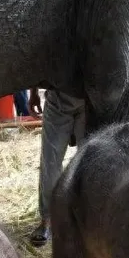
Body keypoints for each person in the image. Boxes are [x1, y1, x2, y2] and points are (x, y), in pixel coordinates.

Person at [28, 88, 86, 247]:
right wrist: (33, 94)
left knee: (88, 161)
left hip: (89, 100)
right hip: (59, 99)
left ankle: (84, 220)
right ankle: (48, 220)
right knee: (50, 163)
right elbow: (38, 63)